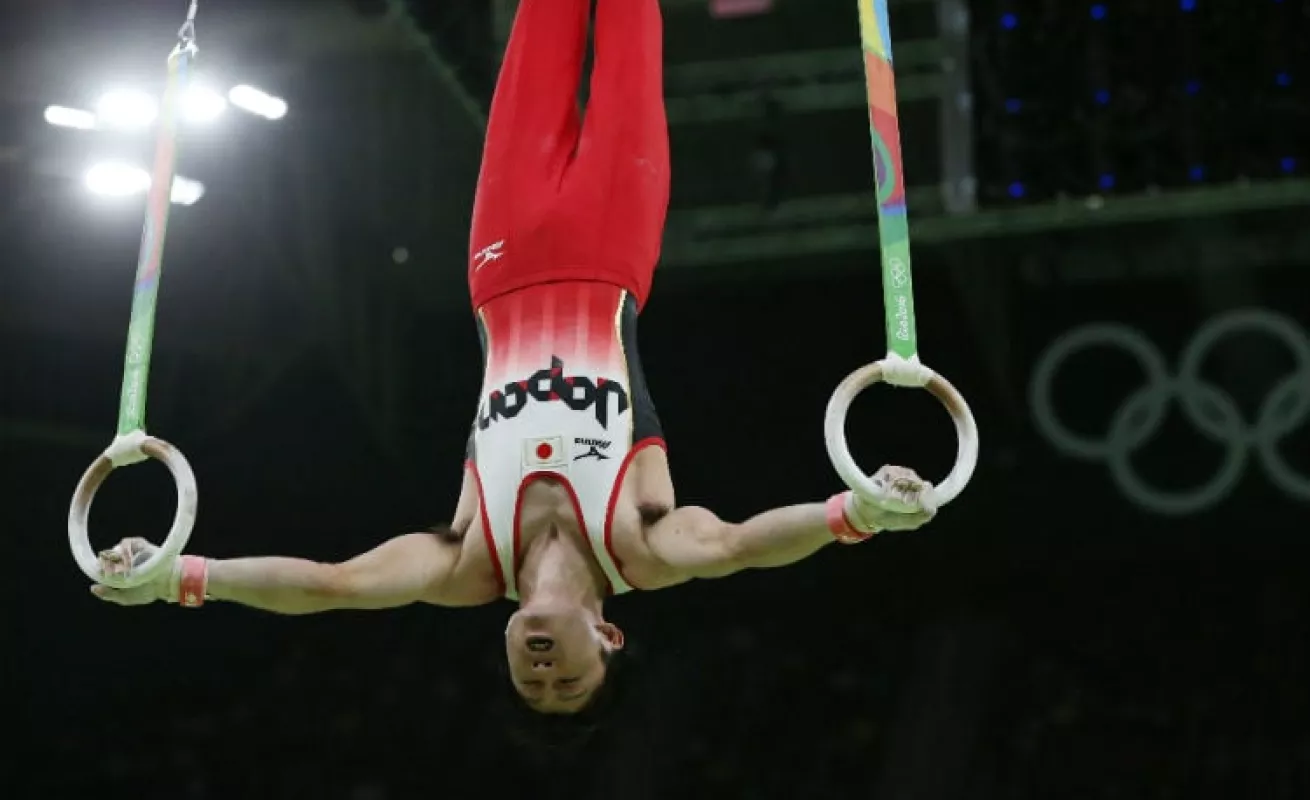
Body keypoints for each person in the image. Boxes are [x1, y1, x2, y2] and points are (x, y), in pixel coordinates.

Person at [92, 0, 939, 715]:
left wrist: (182, 578)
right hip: (610, 244)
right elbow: (745, 545)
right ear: (610, 636)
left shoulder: (467, 563)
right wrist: (856, 514)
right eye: (568, 678)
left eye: (529, 683)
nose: (542, 669)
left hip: (497, 265)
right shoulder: (642, 552)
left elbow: (327, 585)